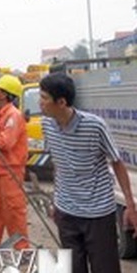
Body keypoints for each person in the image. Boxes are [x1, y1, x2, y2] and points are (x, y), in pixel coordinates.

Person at [39, 73, 137, 273]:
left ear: (61, 102)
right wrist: (56, 200)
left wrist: (130, 206)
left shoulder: (94, 126)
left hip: (98, 214)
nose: (40, 103)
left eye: (44, 98)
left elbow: (117, 163)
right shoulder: (47, 125)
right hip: (66, 212)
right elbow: (59, 163)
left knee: (105, 268)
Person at [0, 74, 30, 250]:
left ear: (4, 93)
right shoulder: (1, 114)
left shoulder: (13, 116)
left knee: (14, 211)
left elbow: (5, 142)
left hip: (11, 170)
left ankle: (22, 248)